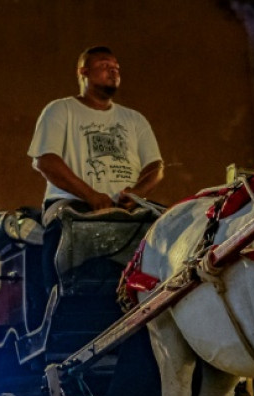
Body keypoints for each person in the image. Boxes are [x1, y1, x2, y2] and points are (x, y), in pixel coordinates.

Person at [28, 45, 164, 291]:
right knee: (66, 227)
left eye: (116, 68)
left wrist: (137, 194)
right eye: (104, 66)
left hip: (127, 209)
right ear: (84, 72)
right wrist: (90, 196)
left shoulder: (134, 119)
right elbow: (46, 160)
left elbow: (155, 166)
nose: (113, 72)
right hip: (71, 204)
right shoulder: (61, 110)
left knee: (169, 224)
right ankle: (58, 300)